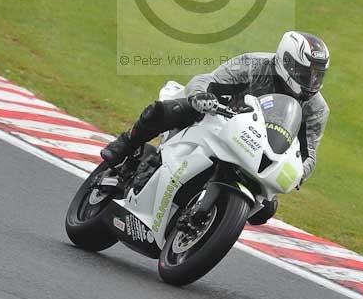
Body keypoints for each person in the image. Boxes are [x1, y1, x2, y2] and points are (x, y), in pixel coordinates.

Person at [101, 31, 330, 225]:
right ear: (286, 61)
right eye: (304, 74)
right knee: (168, 110)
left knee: (266, 210)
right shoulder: (254, 65)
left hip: (256, 148)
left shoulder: (317, 108)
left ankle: (212, 219)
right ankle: (126, 144)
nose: (311, 82)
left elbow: (309, 154)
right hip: (217, 119)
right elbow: (206, 80)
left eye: (317, 76)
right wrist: (202, 96)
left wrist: (298, 173)